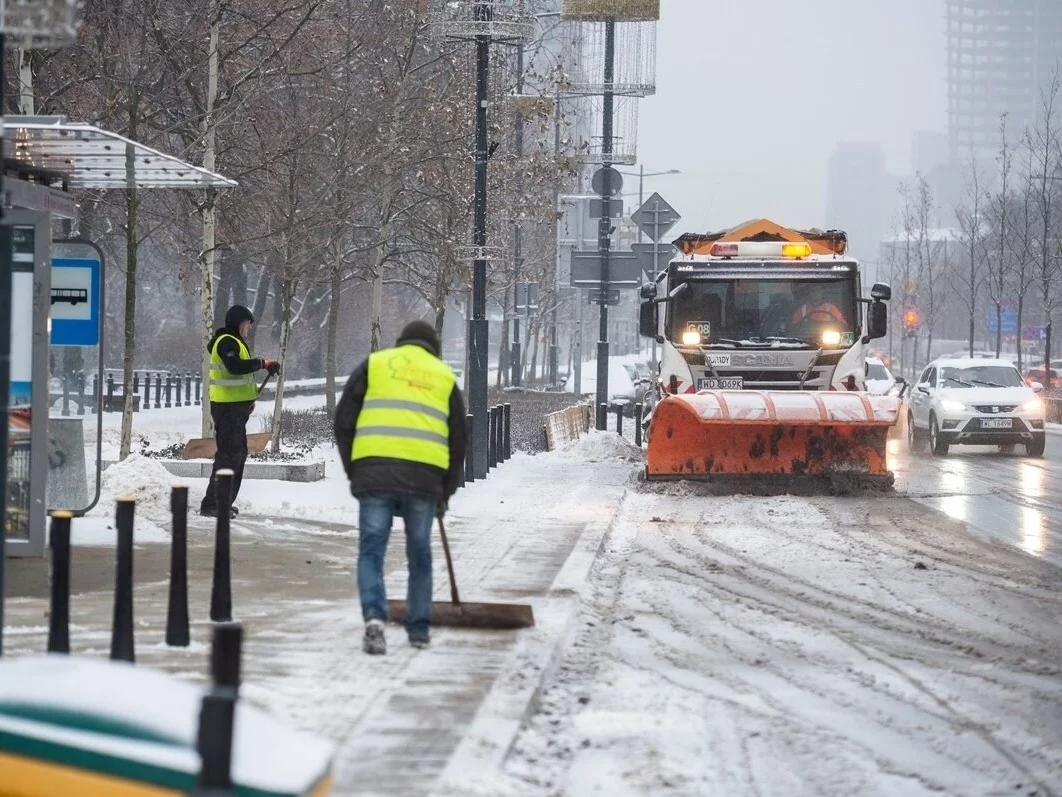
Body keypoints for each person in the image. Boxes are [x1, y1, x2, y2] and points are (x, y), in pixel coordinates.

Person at [333, 320, 466, 655]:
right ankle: (418, 629)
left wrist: (356, 469)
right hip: (424, 478)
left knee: (371, 550)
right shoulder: (443, 376)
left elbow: (343, 420)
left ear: (402, 343)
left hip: (374, 474)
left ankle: (375, 621)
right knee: (420, 552)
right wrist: (444, 492)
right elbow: (458, 441)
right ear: (433, 348)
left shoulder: (376, 365)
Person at [200, 305, 279, 518]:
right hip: (227, 409)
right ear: (238, 322)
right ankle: (211, 505)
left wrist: (247, 400)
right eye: (247, 323)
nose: (249, 328)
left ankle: (222, 502)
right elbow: (234, 367)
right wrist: (262, 363)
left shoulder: (234, 342)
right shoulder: (227, 342)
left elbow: (239, 378)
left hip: (234, 407)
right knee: (229, 455)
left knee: (237, 454)